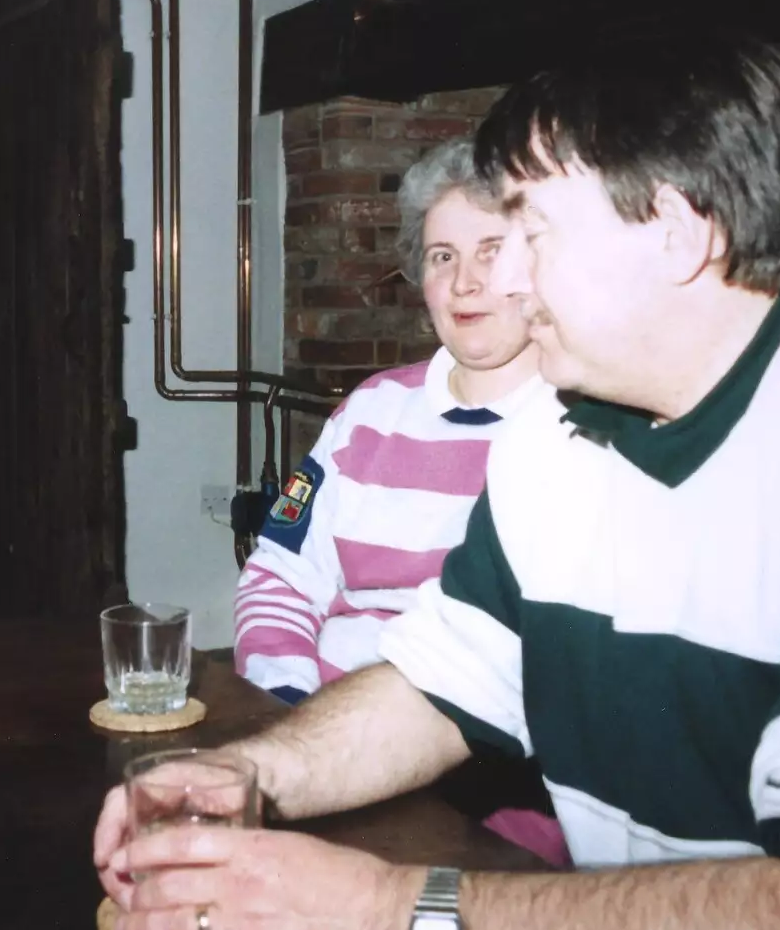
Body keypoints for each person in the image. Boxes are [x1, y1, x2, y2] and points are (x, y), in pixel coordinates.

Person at [94, 38, 780, 929]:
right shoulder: (558, 430)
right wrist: (252, 775)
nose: (504, 280)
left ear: (679, 232)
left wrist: (390, 902)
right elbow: (441, 682)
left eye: (530, 231)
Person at [233, 139, 565, 865]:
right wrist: (291, 708)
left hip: (483, 786)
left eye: (491, 250)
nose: (466, 282)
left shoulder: (577, 429)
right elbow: (277, 575)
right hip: (322, 744)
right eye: (443, 256)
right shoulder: (369, 411)